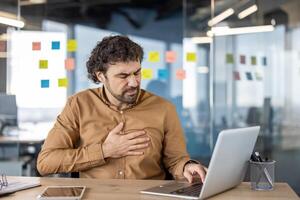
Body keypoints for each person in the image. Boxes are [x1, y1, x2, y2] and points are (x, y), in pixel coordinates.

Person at [37, 35, 207, 183]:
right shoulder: (78, 104)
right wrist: (105, 151)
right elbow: (46, 162)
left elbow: (176, 160)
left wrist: (186, 166)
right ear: (101, 76)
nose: (134, 82)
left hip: (147, 197)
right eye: (123, 76)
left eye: (137, 73)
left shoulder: (164, 108)